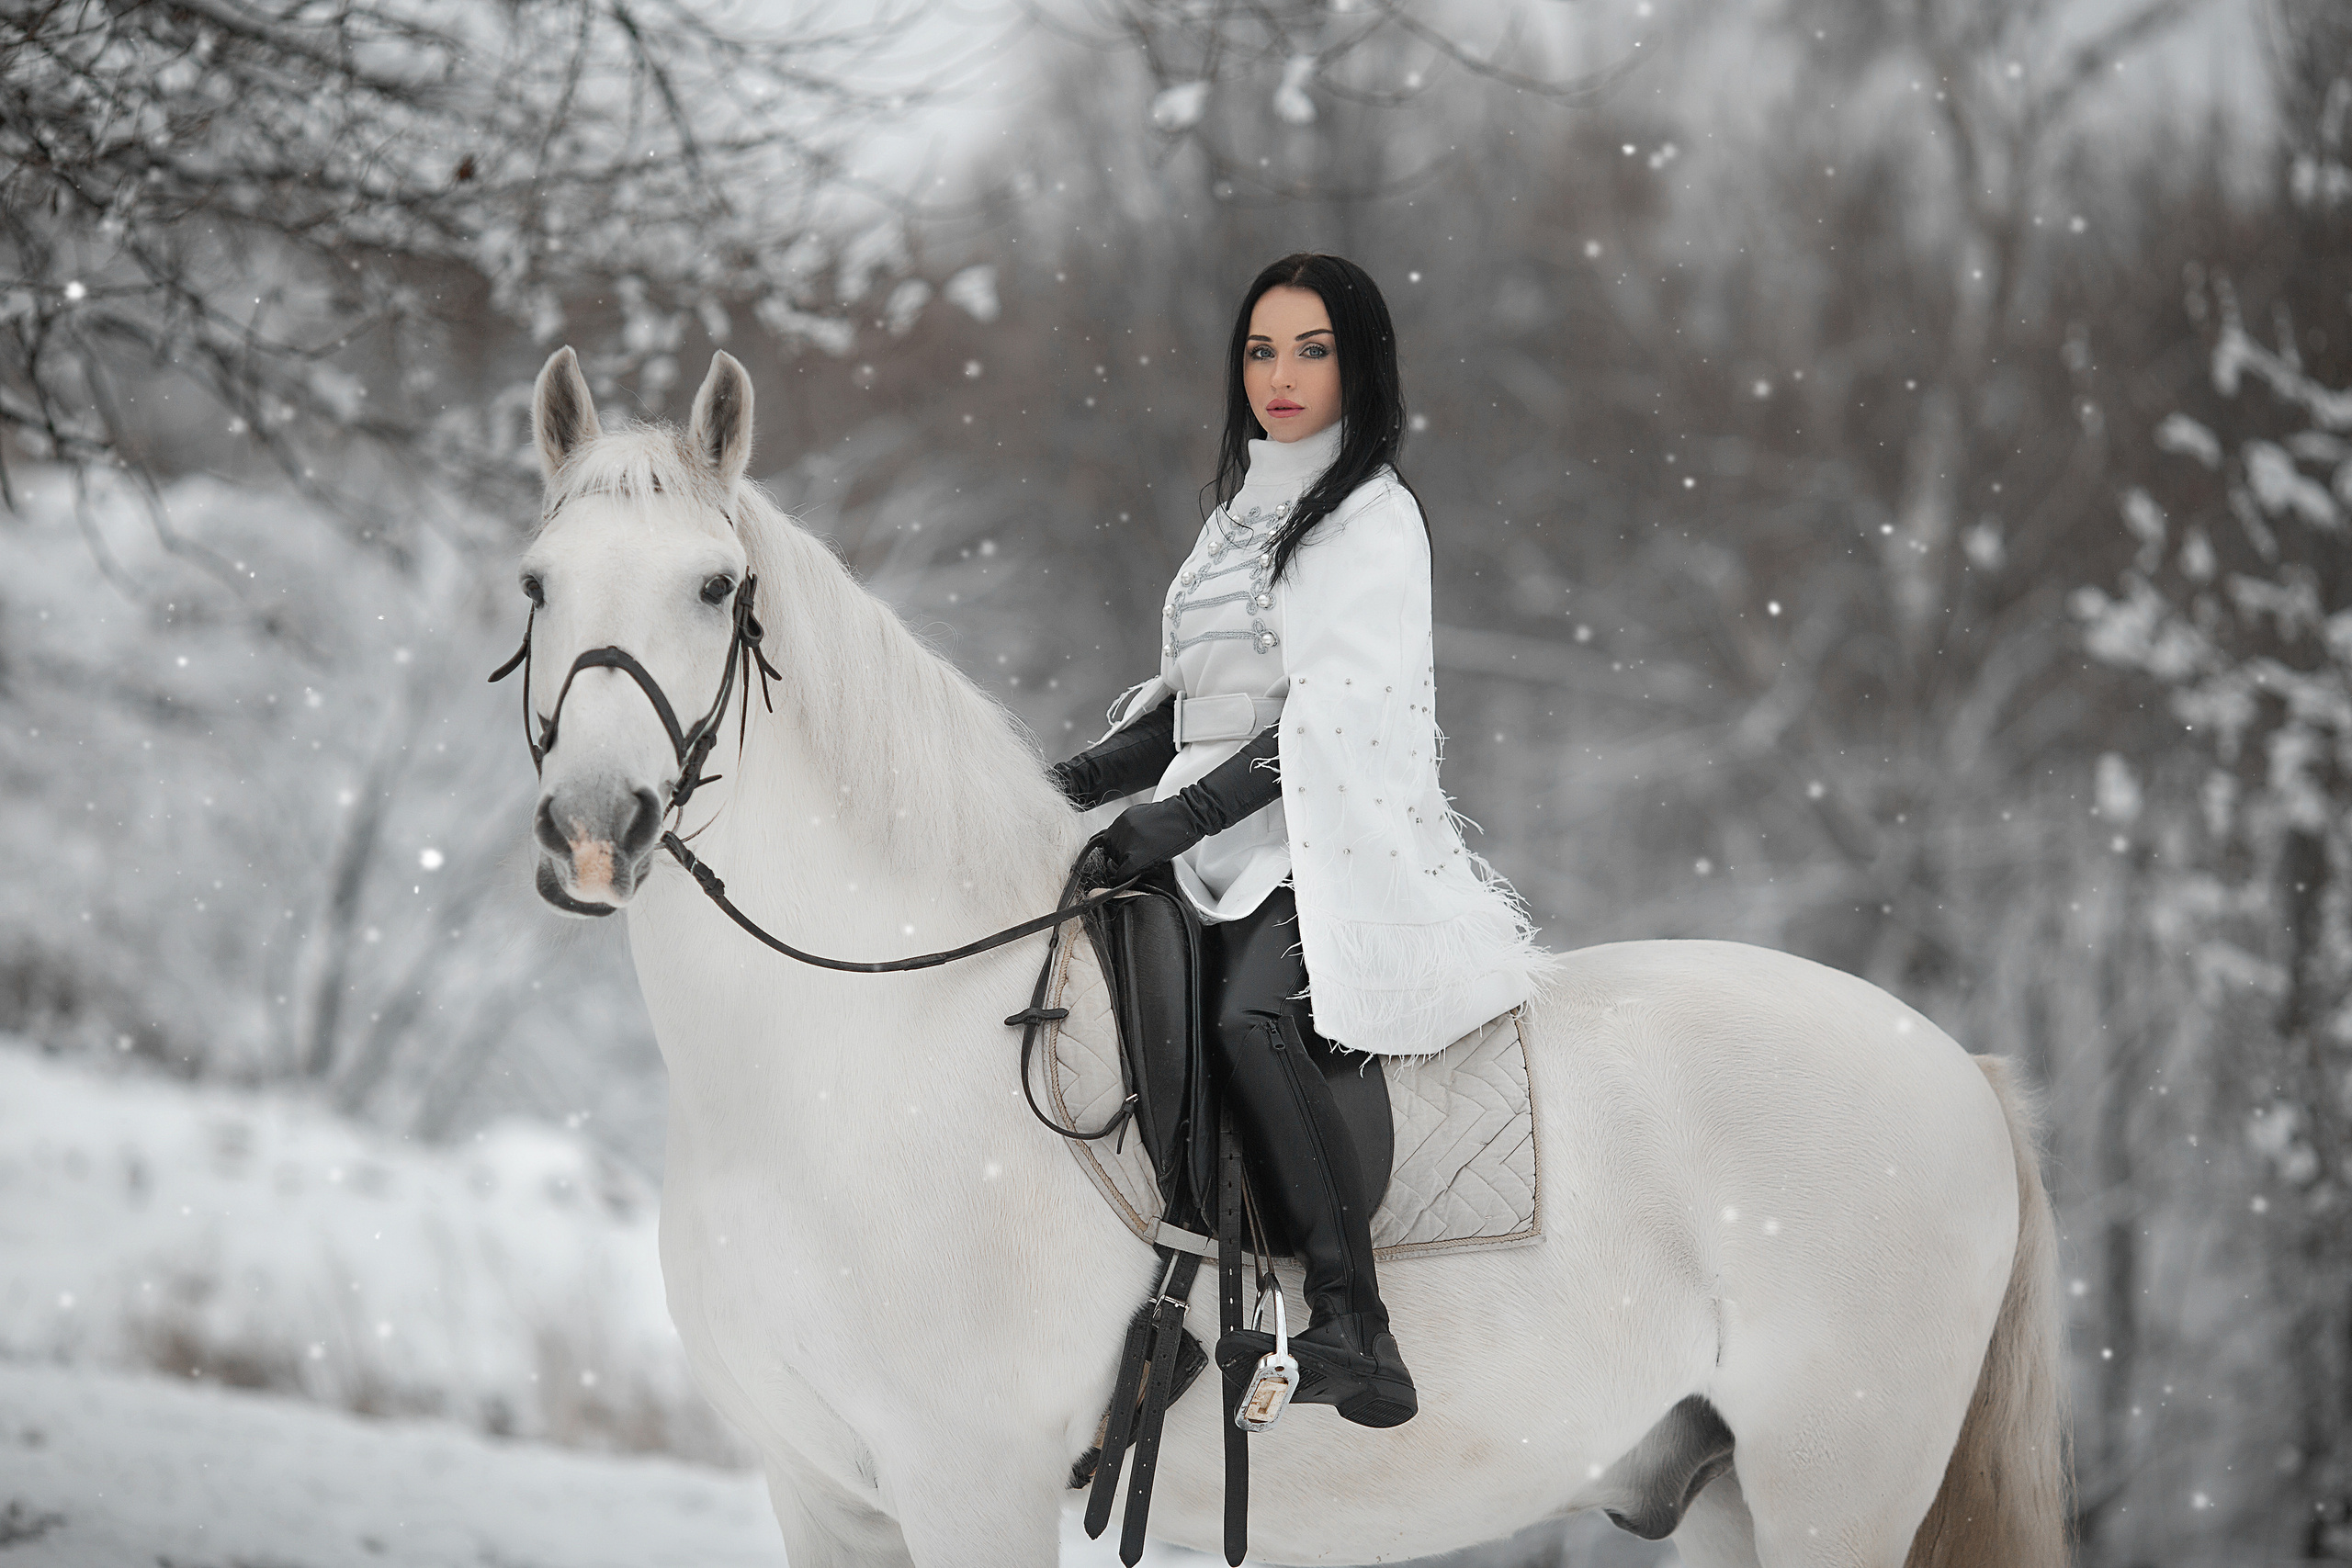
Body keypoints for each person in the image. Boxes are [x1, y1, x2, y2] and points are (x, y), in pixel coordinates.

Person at [1047, 253, 1540, 1428]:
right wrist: (1062, 785)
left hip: (1324, 844)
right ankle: (1172, 1286)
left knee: (1247, 1017)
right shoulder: (1234, 520)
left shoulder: (1372, 517)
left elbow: (1334, 723)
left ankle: (1355, 1325)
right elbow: (1193, 704)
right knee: (1113, 999)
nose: (1280, 374)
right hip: (1208, 835)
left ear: (1357, 364)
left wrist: (1179, 816)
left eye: (1311, 349)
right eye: (1261, 350)